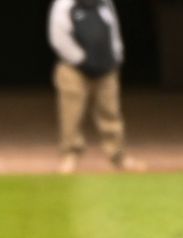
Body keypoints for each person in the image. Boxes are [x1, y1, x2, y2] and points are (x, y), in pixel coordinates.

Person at [48, 0, 145, 174]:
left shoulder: (105, 3)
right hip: (74, 68)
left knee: (111, 113)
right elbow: (58, 36)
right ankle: (70, 156)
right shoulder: (65, 4)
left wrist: (115, 57)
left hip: (105, 68)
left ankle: (118, 156)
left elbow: (113, 31)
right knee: (72, 113)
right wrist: (81, 59)